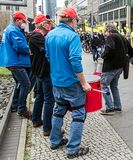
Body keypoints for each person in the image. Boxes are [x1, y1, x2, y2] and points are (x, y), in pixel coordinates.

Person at [45, 8, 91, 158]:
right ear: (72, 20)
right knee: (78, 114)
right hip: (71, 83)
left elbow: (48, 56)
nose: (77, 23)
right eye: (77, 20)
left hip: (56, 81)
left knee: (58, 111)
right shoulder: (73, 36)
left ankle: (55, 141)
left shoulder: (50, 35)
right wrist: (84, 83)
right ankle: (73, 150)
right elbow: (75, 62)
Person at [0, 11, 32, 119]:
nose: (24, 24)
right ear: (17, 20)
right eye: (23, 21)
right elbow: (19, 46)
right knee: (26, 84)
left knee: (19, 83)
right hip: (16, 61)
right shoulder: (14, 30)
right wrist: (29, 50)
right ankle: (21, 109)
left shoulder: (9, 29)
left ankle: (14, 104)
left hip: (11, 61)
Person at [28, 14, 54, 136]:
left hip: (40, 71)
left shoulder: (38, 35)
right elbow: (46, 49)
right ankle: (48, 128)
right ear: (42, 24)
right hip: (43, 71)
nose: (49, 25)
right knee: (49, 99)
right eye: (47, 23)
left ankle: (36, 120)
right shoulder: (37, 36)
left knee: (41, 96)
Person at [100, 24, 133, 115]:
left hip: (110, 67)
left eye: (105, 31)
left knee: (104, 85)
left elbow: (109, 49)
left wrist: (103, 55)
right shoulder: (123, 37)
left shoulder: (111, 37)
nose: (105, 33)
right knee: (114, 86)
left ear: (108, 30)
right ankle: (117, 107)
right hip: (120, 67)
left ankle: (110, 107)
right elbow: (131, 51)